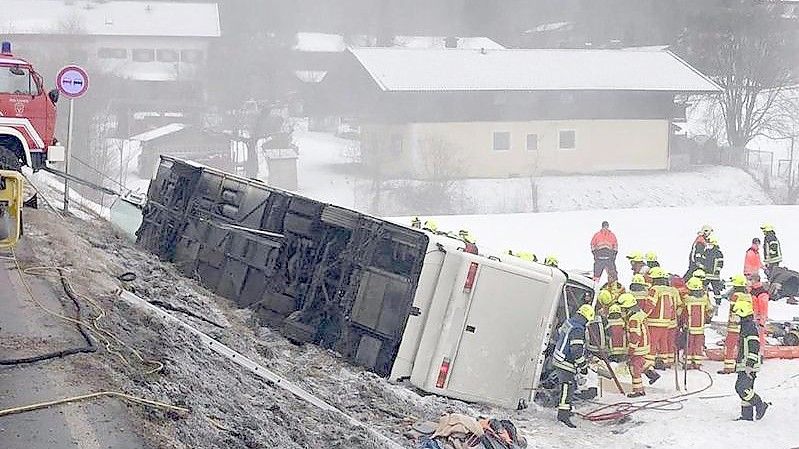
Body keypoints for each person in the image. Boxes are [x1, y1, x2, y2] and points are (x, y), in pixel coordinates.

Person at [552, 304, 594, 428]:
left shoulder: (569, 322)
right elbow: (576, 350)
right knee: (568, 386)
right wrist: (583, 366)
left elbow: (560, 334)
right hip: (565, 362)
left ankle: (567, 409)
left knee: (571, 385)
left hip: (559, 357)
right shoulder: (578, 329)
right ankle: (563, 415)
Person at [618, 293, 660, 397]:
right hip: (645, 344)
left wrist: (630, 351)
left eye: (624, 308)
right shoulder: (640, 314)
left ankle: (638, 391)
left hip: (638, 347)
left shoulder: (633, 319)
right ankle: (652, 374)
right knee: (641, 361)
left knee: (635, 369)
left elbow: (635, 337)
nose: (623, 311)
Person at [732, 300, 769, 421]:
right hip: (744, 364)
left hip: (748, 365)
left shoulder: (749, 328)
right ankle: (747, 416)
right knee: (747, 388)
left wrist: (749, 365)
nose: (734, 317)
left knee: (741, 388)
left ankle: (759, 404)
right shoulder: (746, 326)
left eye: (736, 314)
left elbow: (754, 347)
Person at [643, 267, 680, 369]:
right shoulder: (669, 290)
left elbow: (650, 304)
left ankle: (649, 363)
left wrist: (642, 315)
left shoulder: (655, 289)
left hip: (654, 321)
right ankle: (664, 361)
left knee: (652, 342)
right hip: (666, 322)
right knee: (663, 342)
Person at [720, 275, 753, 374]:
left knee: (729, 345)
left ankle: (728, 367)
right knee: (742, 346)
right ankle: (739, 365)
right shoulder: (748, 296)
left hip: (734, 326)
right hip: (745, 325)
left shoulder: (735, 296)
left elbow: (733, 311)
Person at [682, 277, 713, 369]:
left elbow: (682, 311)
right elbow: (710, 309)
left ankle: (687, 363)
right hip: (700, 327)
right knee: (698, 345)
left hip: (689, 327)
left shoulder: (686, 299)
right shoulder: (704, 299)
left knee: (689, 345)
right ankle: (697, 363)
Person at [749, 274, 769, 347]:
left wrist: (762, 321)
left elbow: (764, 309)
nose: (749, 282)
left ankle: (761, 352)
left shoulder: (762, 293)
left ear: (755, 280)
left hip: (758, 319)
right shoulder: (752, 291)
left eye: (751, 280)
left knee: (760, 336)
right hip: (751, 317)